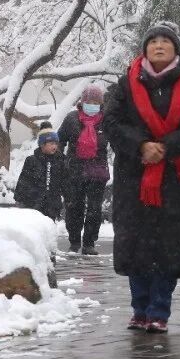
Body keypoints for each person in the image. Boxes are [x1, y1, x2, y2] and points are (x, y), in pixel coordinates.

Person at [103, 21, 180, 333]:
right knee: (136, 245)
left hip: (173, 178)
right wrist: (140, 145)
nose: (159, 46)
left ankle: (159, 311)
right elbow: (111, 121)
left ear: (176, 49)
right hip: (133, 176)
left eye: (166, 41)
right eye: (153, 41)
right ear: (145, 49)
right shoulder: (128, 83)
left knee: (167, 247)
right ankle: (139, 308)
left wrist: (166, 147)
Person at [57, 84, 110, 255]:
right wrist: (61, 160)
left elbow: (117, 142)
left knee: (95, 208)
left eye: (96, 102)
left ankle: (89, 243)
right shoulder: (71, 118)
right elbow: (60, 140)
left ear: (101, 104)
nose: (92, 105)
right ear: (82, 102)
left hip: (98, 171)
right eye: (89, 101)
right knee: (74, 206)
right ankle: (74, 241)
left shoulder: (106, 121)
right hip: (74, 170)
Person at [14, 122, 64, 221]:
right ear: (42, 144)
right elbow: (24, 180)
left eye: (56, 143)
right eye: (51, 143)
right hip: (34, 204)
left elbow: (65, 181)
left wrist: (68, 198)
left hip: (52, 205)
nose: (54, 146)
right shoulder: (32, 161)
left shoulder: (60, 161)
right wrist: (20, 198)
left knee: (49, 227)